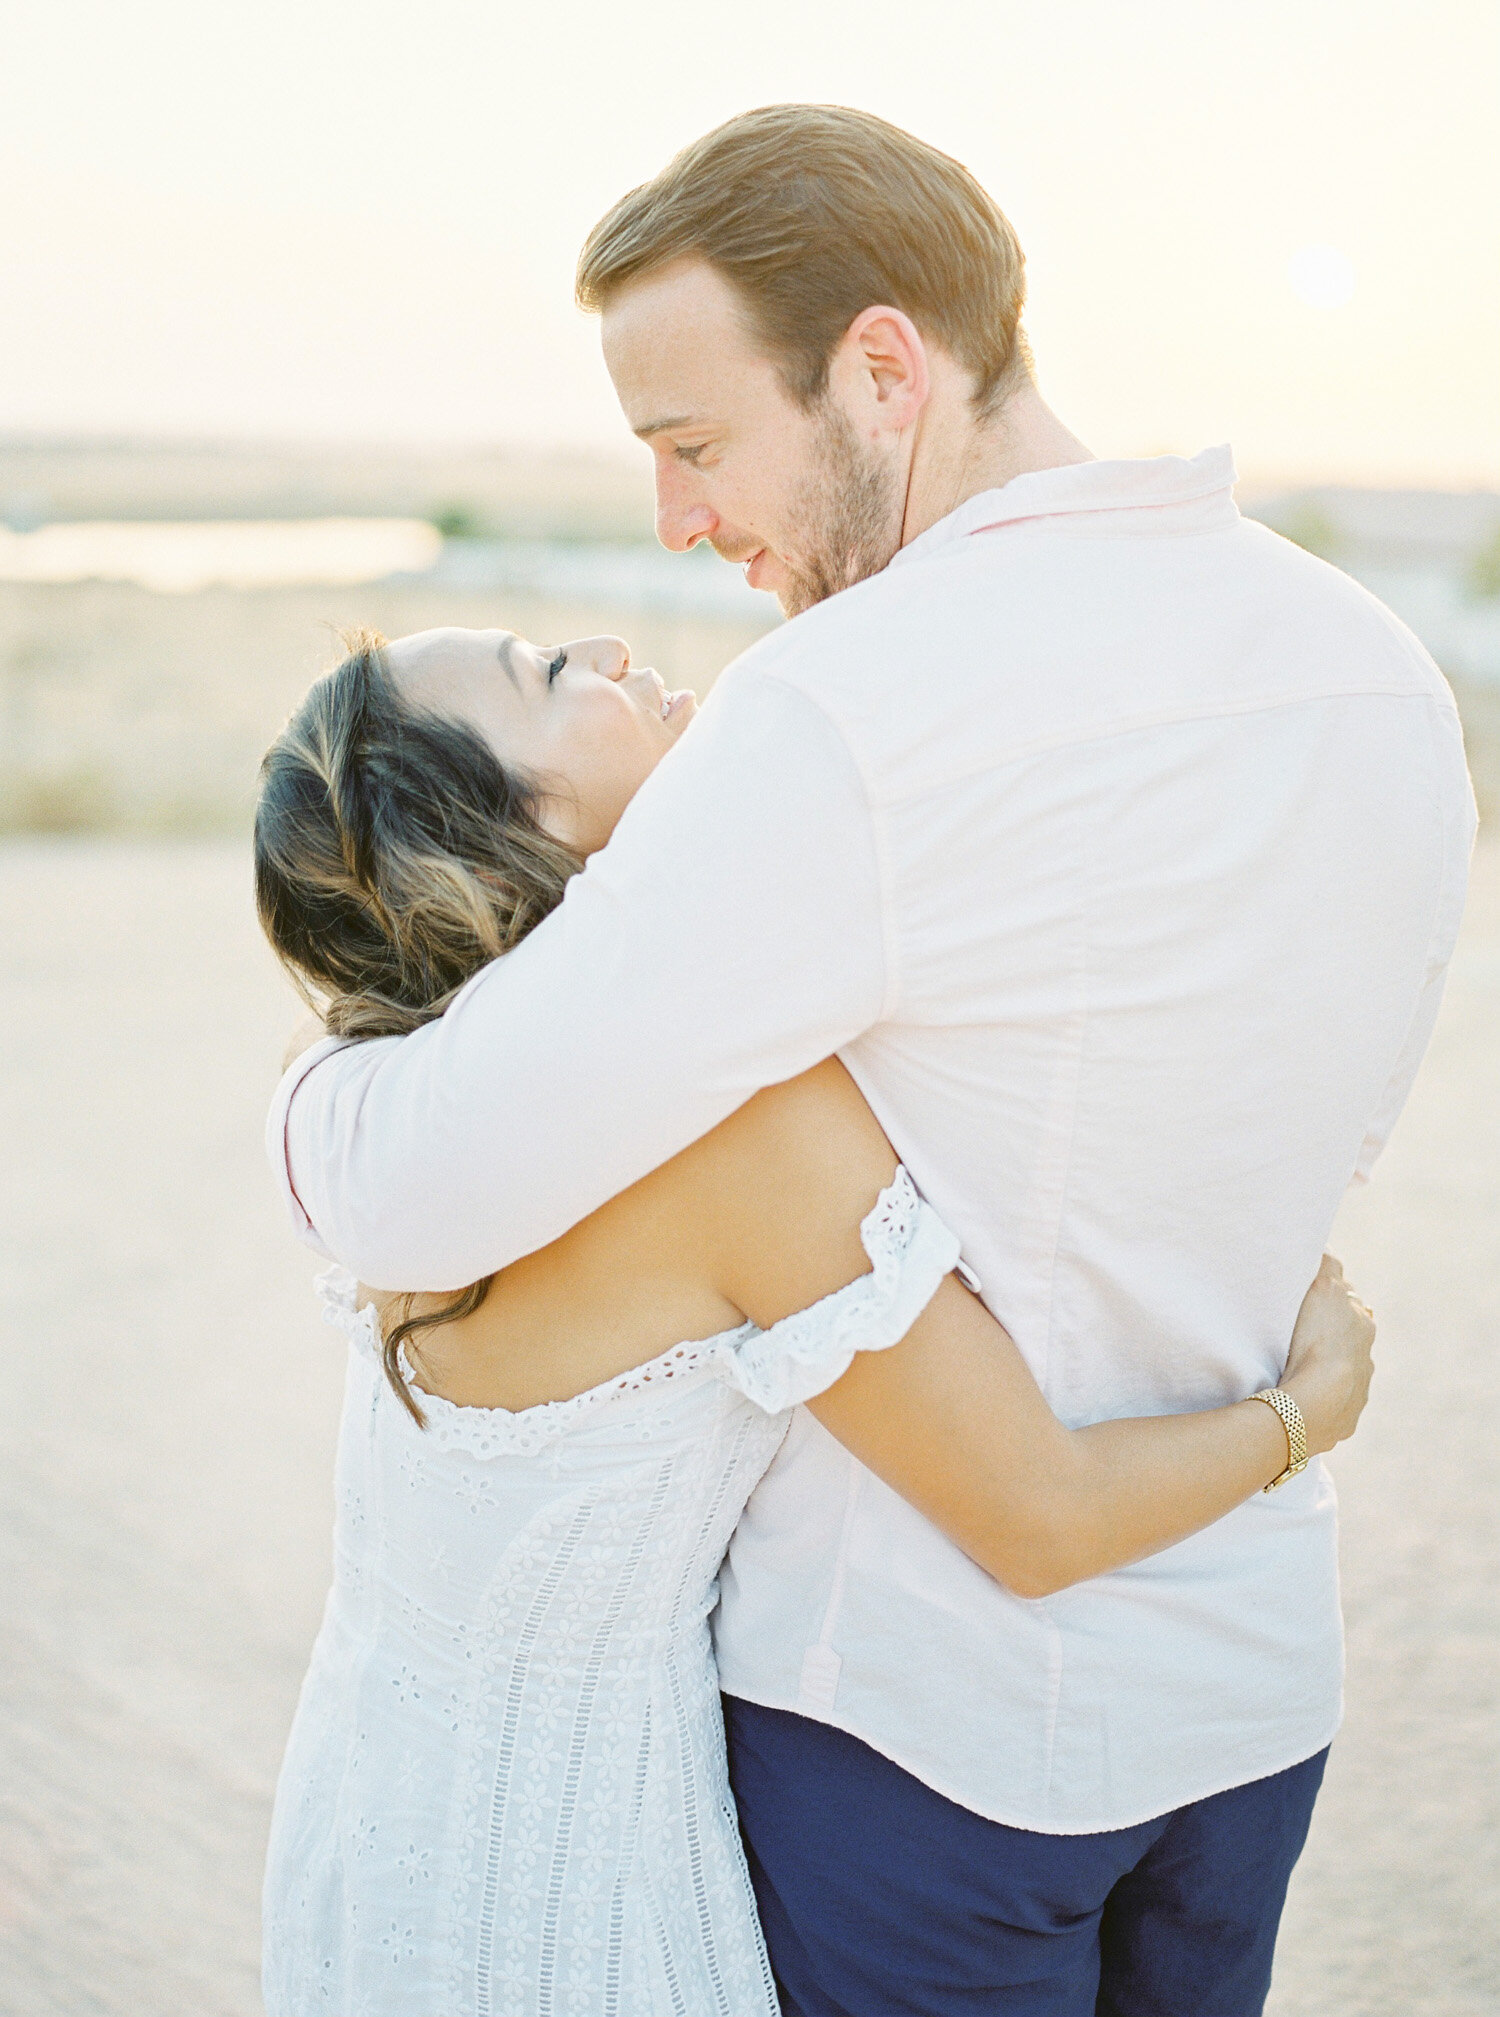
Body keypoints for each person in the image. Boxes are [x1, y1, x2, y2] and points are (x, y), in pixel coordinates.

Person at [268, 106, 1475, 2017]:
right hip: (1252, 1703)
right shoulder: (1376, 671)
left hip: (921, 1732)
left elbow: (414, 1184)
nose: (678, 518)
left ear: (883, 370)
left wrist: (312, 1089)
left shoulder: (838, 716)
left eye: (695, 444)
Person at [255, 627, 1374, 2015]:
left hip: (374, 1838)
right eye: (547, 675)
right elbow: (1041, 1515)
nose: (601, 646)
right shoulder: (737, 1134)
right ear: (514, 834)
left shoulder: (396, 1085)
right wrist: (1304, 1412)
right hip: (578, 1897)